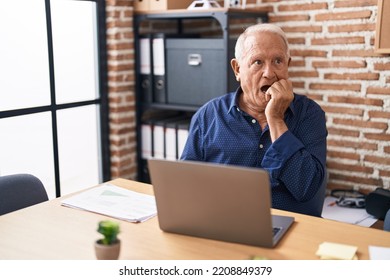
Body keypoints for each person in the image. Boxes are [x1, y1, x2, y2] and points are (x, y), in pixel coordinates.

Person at [180, 23, 328, 217]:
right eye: (258, 62)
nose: (269, 73)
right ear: (237, 69)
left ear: (288, 66)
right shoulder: (208, 116)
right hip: (224, 222)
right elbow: (185, 186)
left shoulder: (309, 114)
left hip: (290, 227)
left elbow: (306, 188)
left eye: (278, 61)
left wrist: (275, 120)